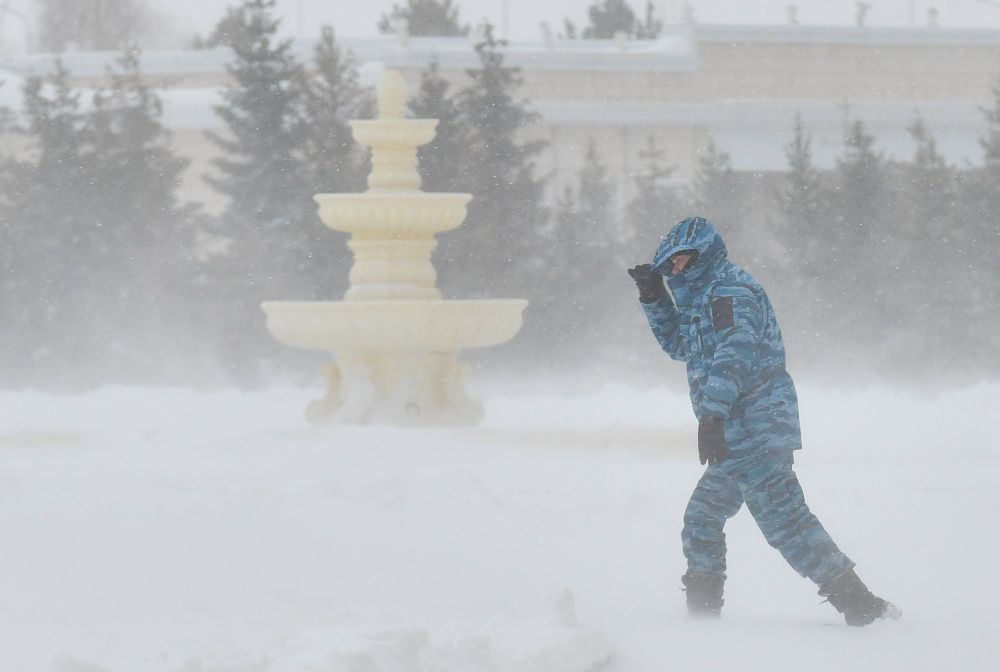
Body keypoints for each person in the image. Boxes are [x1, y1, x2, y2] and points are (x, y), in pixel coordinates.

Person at [628, 216, 900, 626]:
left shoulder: (730, 291)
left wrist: (713, 414)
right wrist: (655, 298)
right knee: (704, 519)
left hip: (755, 425)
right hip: (735, 430)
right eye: (672, 265)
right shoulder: (705, 298)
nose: (678, 270)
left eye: (682, 260)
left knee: (785, 523)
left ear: (705, 252)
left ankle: (865, 608)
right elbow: (681, 345)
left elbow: (734, 355)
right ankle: (702, 621)